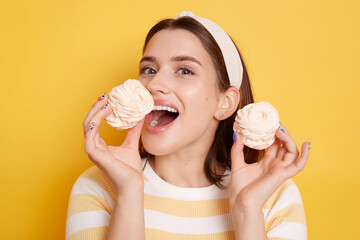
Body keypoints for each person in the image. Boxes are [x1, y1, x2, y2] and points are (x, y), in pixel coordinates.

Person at [66, 11, 310, 240]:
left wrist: (249, 210)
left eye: (184, 70)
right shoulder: (99, 187)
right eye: (149, 69)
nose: (154, 84)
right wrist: (129, 193)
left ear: (225, 103)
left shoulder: (273, 194)